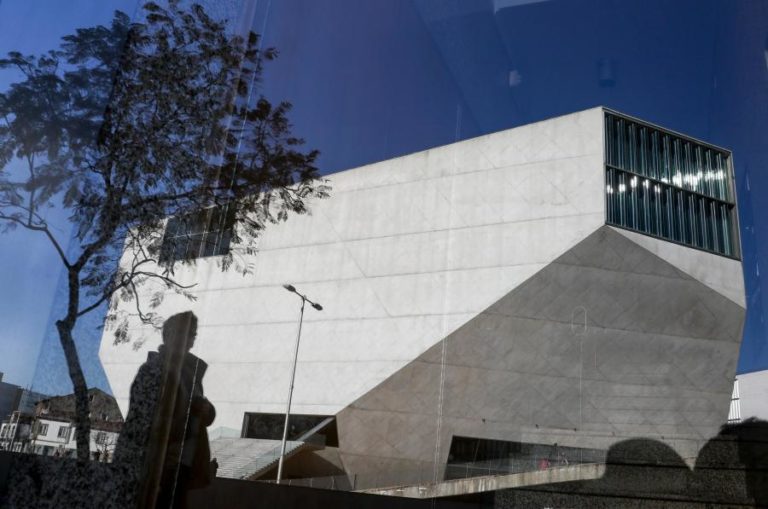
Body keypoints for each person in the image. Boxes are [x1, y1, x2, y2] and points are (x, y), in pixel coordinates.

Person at [114, 311, 216, 509]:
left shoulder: (189, 374)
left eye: (192, 335)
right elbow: (143, 421)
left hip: (179, 465)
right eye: (184, 334)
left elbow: (195, 409)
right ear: (169, 335)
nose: (189, 341)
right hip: (157, 465)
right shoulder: (153, 370)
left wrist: (206, 411)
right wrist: (186, 420)